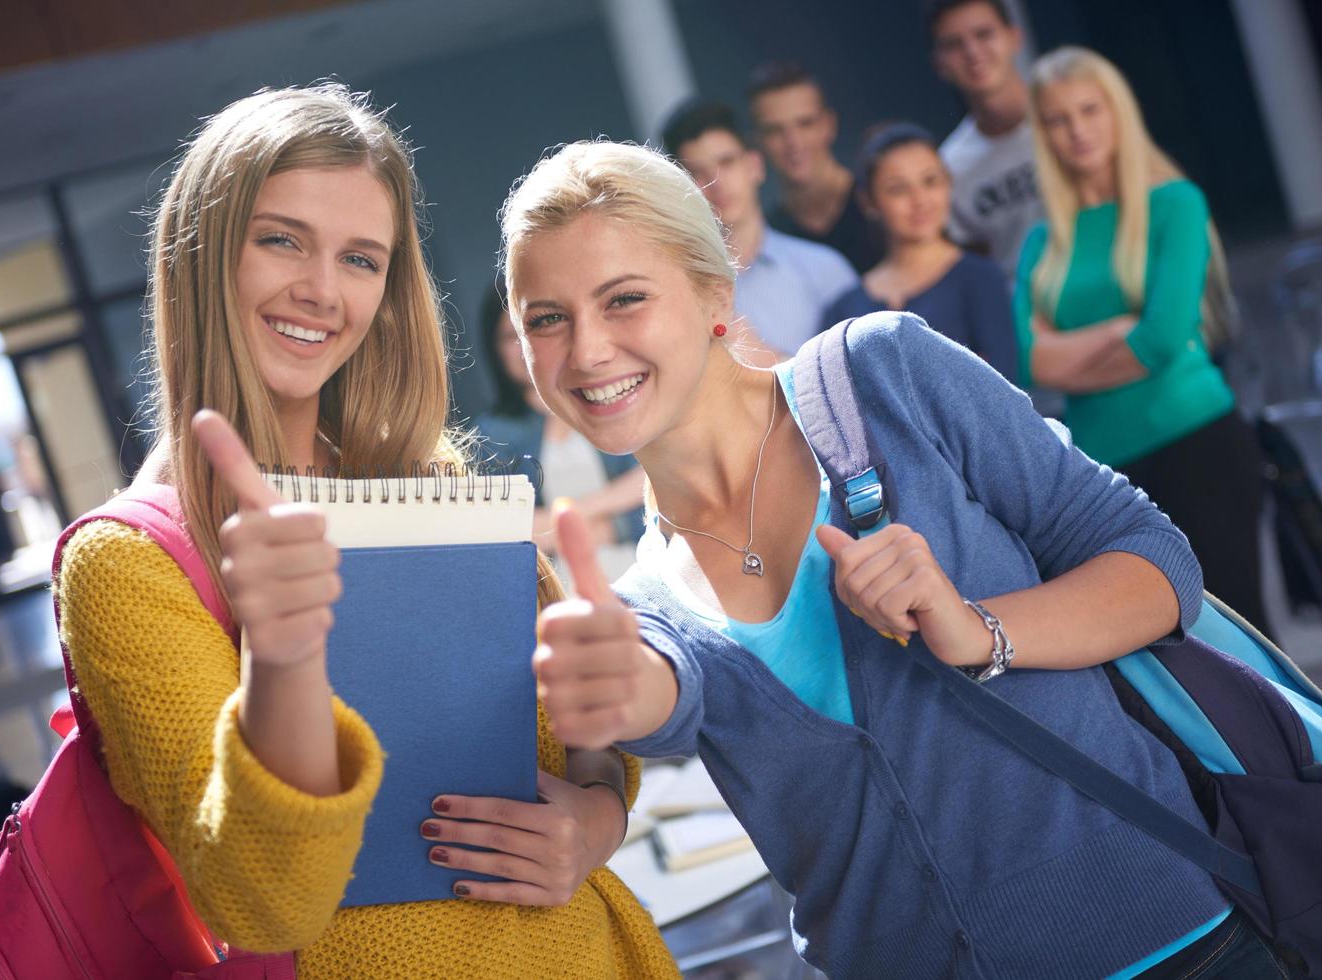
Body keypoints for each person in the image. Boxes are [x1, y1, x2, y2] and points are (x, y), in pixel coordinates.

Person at [499, 140, 1291, 978]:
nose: (584, 350)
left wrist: (981, 627)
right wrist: (605, 731)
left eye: (623, 299)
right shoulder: (642, 602)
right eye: (545, 318)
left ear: (713, 295)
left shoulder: (883, 375)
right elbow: (654, 694)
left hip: (1178, 949)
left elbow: (1157, 562)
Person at [54, 85, 675, 977]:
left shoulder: (434, 488)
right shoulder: (127, 565)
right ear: (201, 253)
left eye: (360, 258)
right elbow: (265, 901)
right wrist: (284, 655)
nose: (320, 290)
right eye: (280, 239)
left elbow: (579, 759)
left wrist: (596, 817)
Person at [1013, 47, 1269, 639]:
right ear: (1043, 133)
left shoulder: (1175, 203)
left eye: (1090, 110)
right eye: (1058, 118)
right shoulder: (1040, 244)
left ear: (1118, 113)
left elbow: (1159, 339)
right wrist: (1114, 330)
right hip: (1105, 472)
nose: (1077, 130)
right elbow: (1027, 361)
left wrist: (1071, 353)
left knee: (1247, 639)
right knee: (1169, 657)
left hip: (1200, 445)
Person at [474, 281, 646, 582]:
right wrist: (612, 503)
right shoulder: (491, 434)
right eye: (509, 338)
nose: (524, 348)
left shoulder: (612, 396)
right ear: (494, 350)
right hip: (556, 590)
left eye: (533, 331)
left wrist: (603, 526)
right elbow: (505, 534)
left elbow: (656, 489)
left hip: (640, 573)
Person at [662, 98, 857, 361]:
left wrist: (767, 362)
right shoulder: (671, 289)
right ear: (680, 188)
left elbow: (862, 379)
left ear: (754, 166)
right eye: (698, 172)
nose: (716, 182)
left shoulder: (826, 270)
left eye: (727, 162)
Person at [824, 123, 1018, 382]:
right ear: (868, 201)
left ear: (949, 184)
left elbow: (1004, 387)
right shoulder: (844, 308)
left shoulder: (980, 278)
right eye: (898, 189)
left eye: (930, 181)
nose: (920, 200)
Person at [929, 0, 1044, 282]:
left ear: (1014, 37)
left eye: (984, 34)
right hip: (1021, 314)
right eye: (954, 44)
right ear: (940, 63)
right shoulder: (948, 167)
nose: (972, 52)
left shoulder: (1070, 119)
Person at [747, 62, 886, 274]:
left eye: (805, 124)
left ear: (829, 125)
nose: (793, 142)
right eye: (775, 130)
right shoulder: (769, 239)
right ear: (758, 141)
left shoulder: (883, 206)